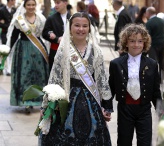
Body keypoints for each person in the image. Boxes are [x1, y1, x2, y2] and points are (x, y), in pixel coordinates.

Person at [40, 12, 113, 145]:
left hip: (91, 101)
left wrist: (107, 106)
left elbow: (102, 78)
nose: (81, 29)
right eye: (77, 25)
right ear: (70, 27)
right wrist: (46, 106)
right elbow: (54, 79)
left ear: (89, 28)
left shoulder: (96, 51)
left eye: (85, 26)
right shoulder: (63, 51)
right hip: (66, 100)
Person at [109, 23, 162, 146]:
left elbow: (155, 90)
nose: (136, 45)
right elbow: (111, 87)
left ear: (144, 43)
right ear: (125, 43)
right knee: (124, 140)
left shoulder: (152, 64)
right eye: (132, 41)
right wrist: (106, 107)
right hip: (125, 109)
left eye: (140, 41)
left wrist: (161, 111)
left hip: (144, 109)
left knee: (145, 142)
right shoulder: (116, 64)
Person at [8, 0, 49, 113]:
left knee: (38, 75)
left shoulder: (41, 19)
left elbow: (44, 34)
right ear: (24, 6)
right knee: (24, 76)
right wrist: (9, 49)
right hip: (23, 50)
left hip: (38, 51)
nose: (31, 7)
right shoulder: (19, 20)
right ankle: (25, 101)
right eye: (28, 5)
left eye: (33, 4)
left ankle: (38, 100)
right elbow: (14, 36)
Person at [42, 0, 71, 72]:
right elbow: (45, 33)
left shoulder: (73, 17)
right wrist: (54, 38)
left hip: (71, 51)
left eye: (58, 3)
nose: (56, 5)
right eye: (55, 3)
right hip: (55, 51)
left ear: (65, 3)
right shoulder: (51, 18)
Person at [146, 7, 164, 83]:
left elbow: (147, 35)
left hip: (153, 45)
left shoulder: (149, 23)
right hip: (161, 43)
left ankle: (154, 78)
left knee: (153, 61)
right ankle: (161, 78)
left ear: (149, 13)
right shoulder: (162, 21)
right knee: (162, 62)